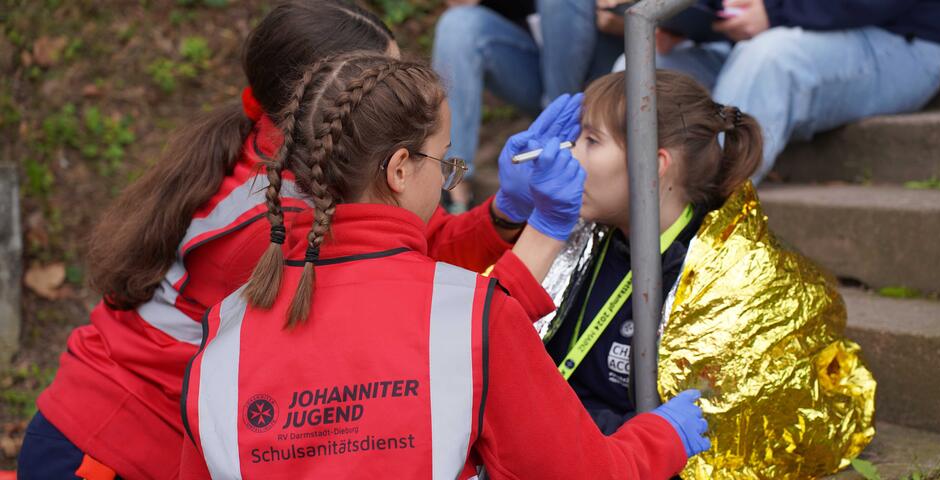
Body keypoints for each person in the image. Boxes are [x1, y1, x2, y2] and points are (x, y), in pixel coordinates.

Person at [17, 2, 576, 478]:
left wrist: (506, 210)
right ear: (322, 94)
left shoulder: (306, 166)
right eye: (379, 77)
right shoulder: (277, 219)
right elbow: (430, 321)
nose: (397, 90)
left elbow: (415, 254)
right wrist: (545, 231)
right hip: (109, 451)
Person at [179, 52, 710, 479]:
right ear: (400, 170)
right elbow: (583, 471)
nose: (448, 176)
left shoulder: (225, 329)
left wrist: (513, 216)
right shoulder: (474, 317)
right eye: (445, 159)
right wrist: (662, 437)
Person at [542, 69, 761, 434]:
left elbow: (684, 441)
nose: (570, 154)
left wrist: (545, 421)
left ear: (653, 166)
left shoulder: (717, 282)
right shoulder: (586, 240)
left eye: (591, 141)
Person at [612, 0, 940, 183]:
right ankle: (621, 208)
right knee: (642, 63)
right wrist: (694, 19)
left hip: (902, 41)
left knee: (769, 59)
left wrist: (775, 10)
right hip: (781, 31)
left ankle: (697, 228)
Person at [432, 0, 624, 211]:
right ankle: (455, 189)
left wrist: (626, 13)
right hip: (539, 69)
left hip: (607, 67)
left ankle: (554, 140)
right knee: (457, 25)